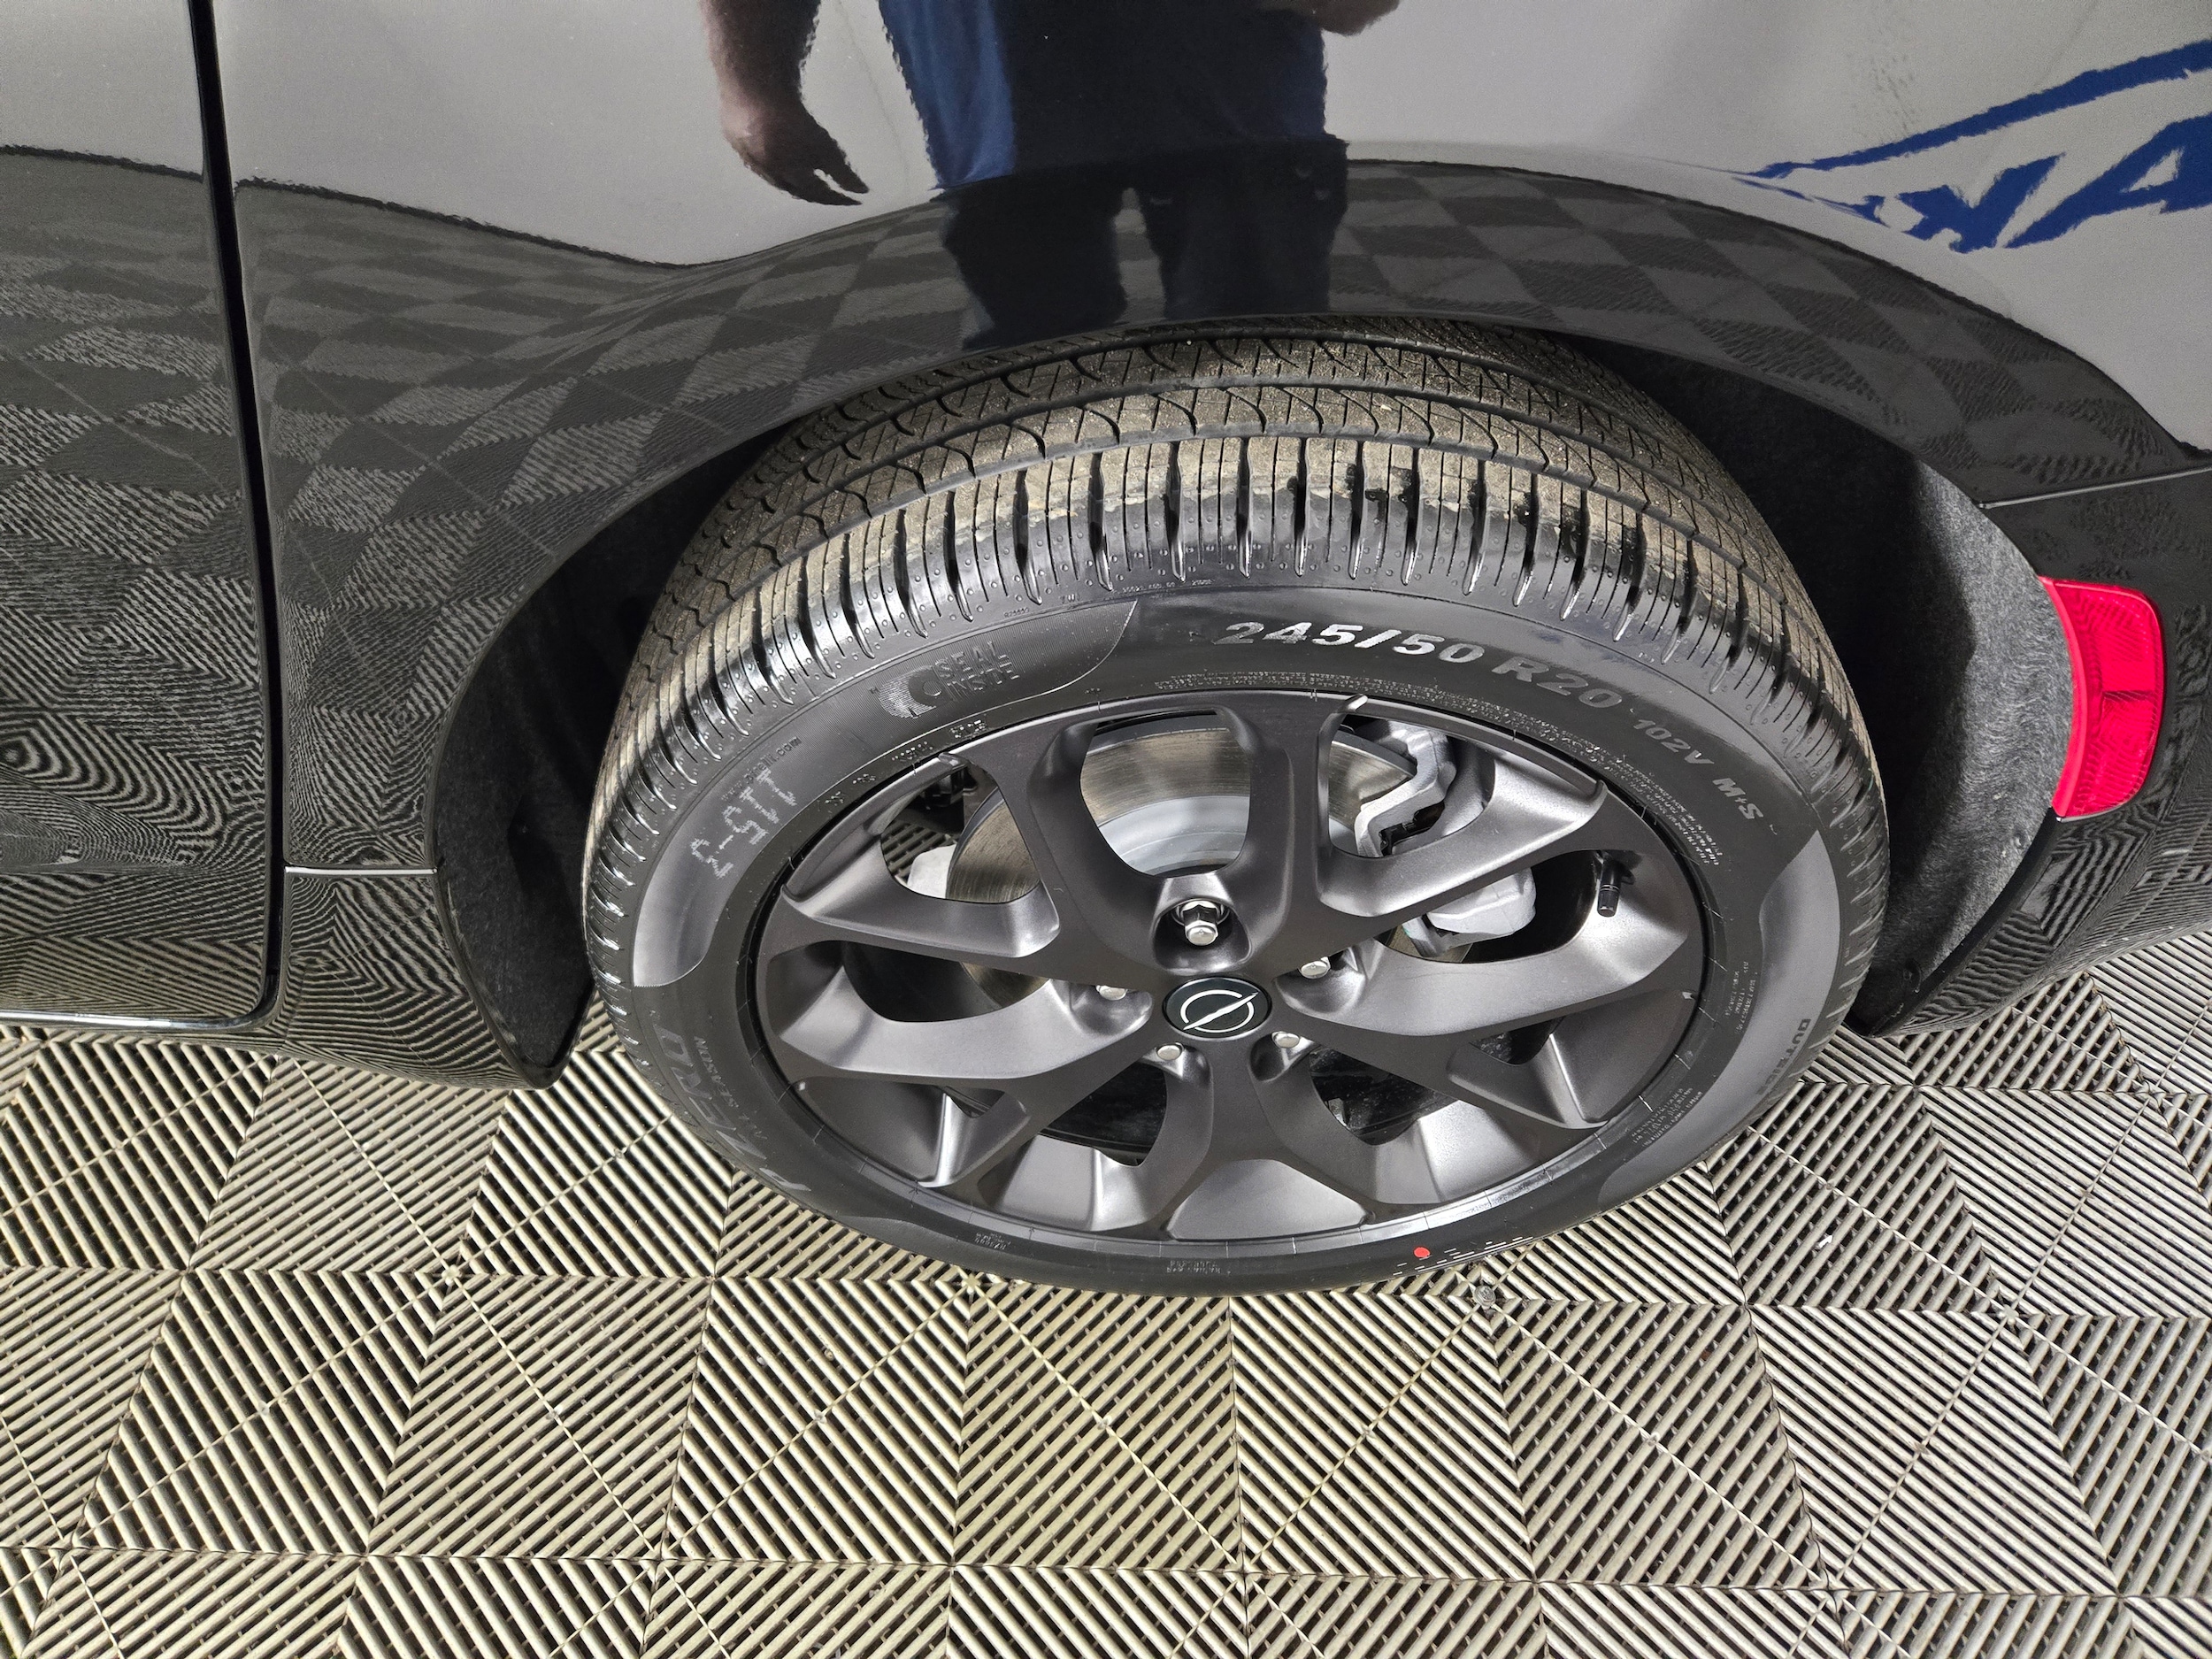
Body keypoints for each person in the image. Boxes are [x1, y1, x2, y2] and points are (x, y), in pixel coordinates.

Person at [701, 0, 1400, 344]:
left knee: (1257, 354)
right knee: (1031, 379)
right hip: (1002, 114)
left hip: (1233, 99)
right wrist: (753, 88)